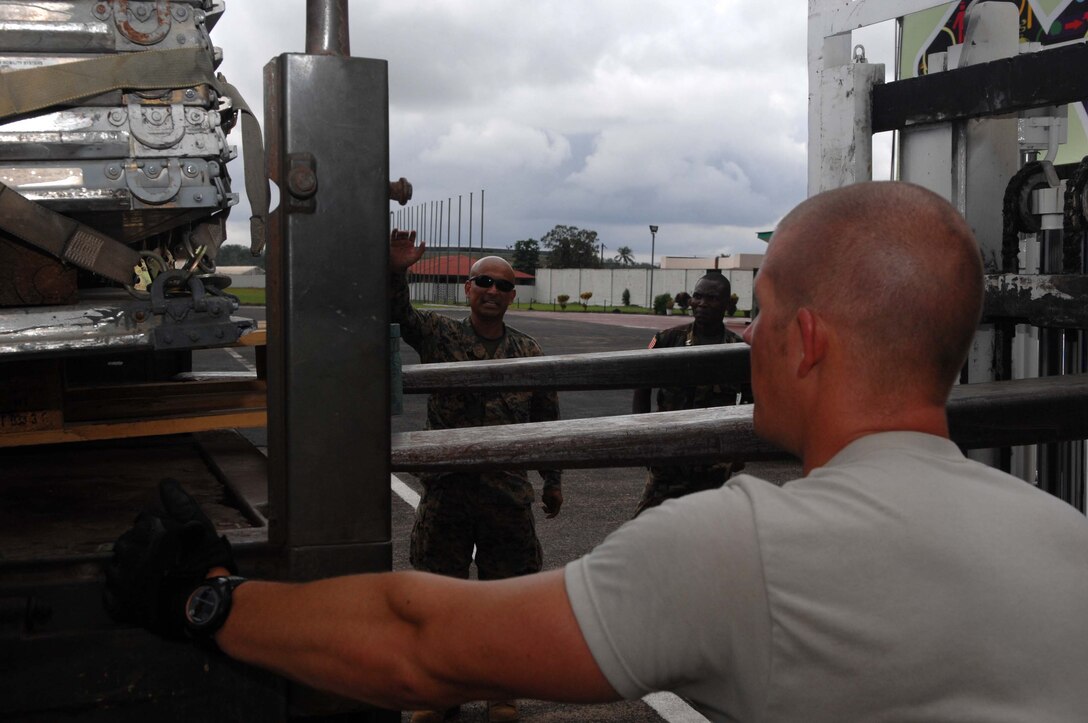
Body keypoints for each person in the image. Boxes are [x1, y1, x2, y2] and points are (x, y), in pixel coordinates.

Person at [105, 182, 1088, 722]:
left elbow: (420, 644)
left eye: (763, 316)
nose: (743, 337)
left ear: (807, 342)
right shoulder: (1065, 542)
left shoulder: (740, 554)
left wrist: (209, 600)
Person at [389, 230, 563, 722]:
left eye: (502, 286)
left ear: (511, 295)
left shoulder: (529, 351)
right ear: (468, 288)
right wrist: (397, 269)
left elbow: (548, 420)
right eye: (483, 282)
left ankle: (500, 692)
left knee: (504, 601)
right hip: (447, 494)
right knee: (437, 599)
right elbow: (398, 317)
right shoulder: (442, 336)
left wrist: (552, 479)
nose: (492, 291)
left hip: (506, 498)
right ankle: (438, 693)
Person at [631, 272, 747, 516]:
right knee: (645, 525)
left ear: (726, 304)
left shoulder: (738, 350)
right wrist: (642, 436)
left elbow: (751, 399)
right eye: (698, 296)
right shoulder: (667, 340)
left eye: (711, 298)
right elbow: (642, 385)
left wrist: (740, 449)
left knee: (709, 530)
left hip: (714, 460)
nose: (702, 303)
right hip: (670, 456)